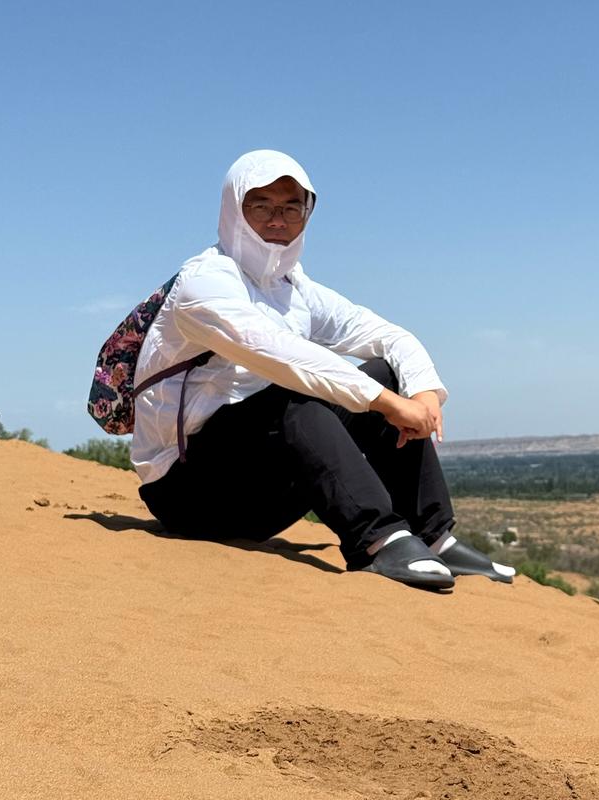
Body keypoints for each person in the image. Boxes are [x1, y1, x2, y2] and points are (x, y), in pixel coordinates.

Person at [131, 149, 514, 591]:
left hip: (259, 492)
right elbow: (279, 354)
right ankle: (377, 540)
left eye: (291, 207)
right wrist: (388, 405)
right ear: (234, 210)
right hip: (188, 494)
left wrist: (423, 393)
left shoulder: (294, 287)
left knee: (386, 373)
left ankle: (433, 536)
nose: (278, 219)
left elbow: (387, 336)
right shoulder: (205, 282)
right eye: (261, 206)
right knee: (294, 393)